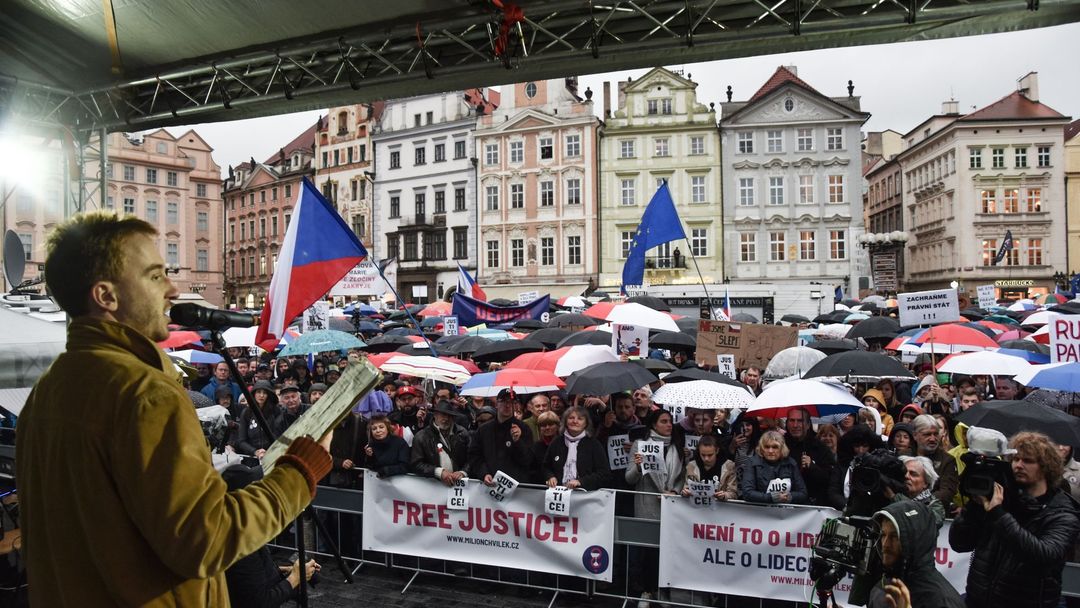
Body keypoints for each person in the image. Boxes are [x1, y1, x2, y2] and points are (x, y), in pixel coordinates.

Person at [15, 211, 332, 606]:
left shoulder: (49, 390)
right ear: (106, 296)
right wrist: (297, 476)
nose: (171, 289)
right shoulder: (145, 395)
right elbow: (205, 540)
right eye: (154, 275)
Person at [950, 431, 1080, 608]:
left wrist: (998, 514)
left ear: (1046, 467)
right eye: (1015, 459)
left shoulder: (1062, 513)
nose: (1018, 465)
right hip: (978, 600)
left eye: (1027, 461)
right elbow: (959, 543)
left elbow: (1043, 557)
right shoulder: (1003, 498)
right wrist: (975, 506)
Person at [222, 465, 322, 608]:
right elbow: (261, 602)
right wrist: (295, 578)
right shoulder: (240, 544)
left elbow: (249, 579)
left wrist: (284, 570)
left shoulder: (241, 528)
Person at [867, 500, 965, 608]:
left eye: (894, 536)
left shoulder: (942, 601)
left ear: (915, 541)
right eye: (883, 535)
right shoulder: (882, 587)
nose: (885, 544)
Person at [468, 389, 534, 484]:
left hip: (516, 487)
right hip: (490, 484)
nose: (507, 405)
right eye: (503, 401)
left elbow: (528, 460)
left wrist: (518, 441)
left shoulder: (523, 428)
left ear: (515, 405)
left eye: (511, 402)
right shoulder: (484, 429)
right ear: (496, 404)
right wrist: (484, 473)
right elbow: (474, 455)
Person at [543, 406, 611, 490]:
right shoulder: (556, 442)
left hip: (585, 494)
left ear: (586, 424)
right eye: (571, 418)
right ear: (565, 421)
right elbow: (546, 466)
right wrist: (550, 477)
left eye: (580, 418)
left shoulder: (594, 444)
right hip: (560, 493)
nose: (575, 421)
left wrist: (581, 482)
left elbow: (604, 473)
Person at [784, 407, 836, 506]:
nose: (795, 425)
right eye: (792, 420)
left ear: (808, 424)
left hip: (813, 504)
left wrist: (812, 467)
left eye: (800, 421)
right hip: (786, 501)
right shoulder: (780, 445)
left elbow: (830, 478)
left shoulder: (820, 447)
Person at [739, 430, 808, 505]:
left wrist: (789, 496)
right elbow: (747, 493)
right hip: (760, 511)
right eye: (767, 447)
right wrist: (771, 497)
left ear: (781, 448)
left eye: (775, 447)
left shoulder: (791, 463)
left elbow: (803, 493)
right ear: (762, 449)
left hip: (786, 513)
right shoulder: (752, 463)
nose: (770, 451)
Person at [410, 400, 470, 486]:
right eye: (443, 414)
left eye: (449, 415)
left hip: (459, 485)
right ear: (435, 415)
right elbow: (416, 464)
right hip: (433, 486)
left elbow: (472, 458)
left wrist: (463, 472)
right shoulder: (421, 436)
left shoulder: (462, 433)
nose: (446, 418)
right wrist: (438, 472)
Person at [912, 414, 959, 511]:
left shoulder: (947, 460)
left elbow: (946, 492)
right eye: (927, 434)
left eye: (936, 434)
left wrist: (917, 502)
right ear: (915, 435)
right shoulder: (904, 457)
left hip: (935, 513)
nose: (933, 439)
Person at [236, 380, 288, 458]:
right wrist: (255, 451)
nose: (261, 395)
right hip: (252, 456)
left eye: (265, 393)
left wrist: (270, 451)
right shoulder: (246, 413)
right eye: (259, 392)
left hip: (273, 455)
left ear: (269, 395)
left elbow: (281, 436)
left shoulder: (276, 411)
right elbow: (241, 441)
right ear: (254, 394)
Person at [898, 455, 945, 526]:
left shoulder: (934, 505)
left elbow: (927, 526)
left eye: (913, 474)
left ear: (926, 483)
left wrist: (895, 497)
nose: (906, 476)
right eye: (904, 472)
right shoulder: (890, 495)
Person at [364, 414, 411, 478]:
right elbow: (369, 468)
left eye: (381, 427)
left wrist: (386, 471)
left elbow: (404, 466)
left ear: (387, 428)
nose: (378, 431)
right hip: (377, 484)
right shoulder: (371, 445)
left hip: (398, 482)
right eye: (374, 429)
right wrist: (369, 457)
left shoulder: (400, 442)